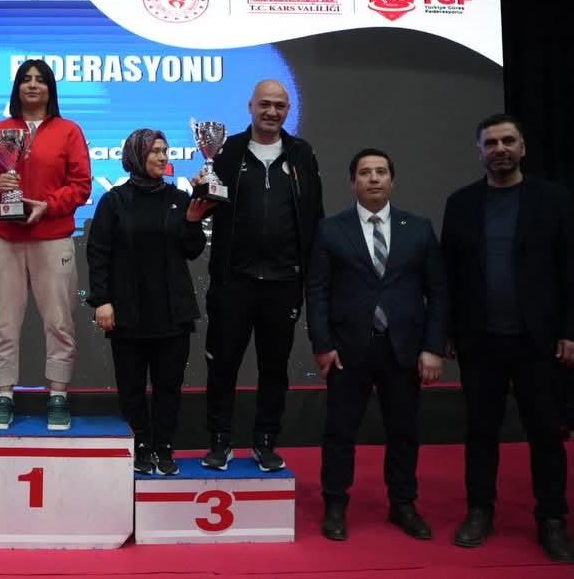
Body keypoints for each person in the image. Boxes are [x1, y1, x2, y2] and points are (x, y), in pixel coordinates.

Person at [441, 114, 574, 562]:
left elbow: (569, 270)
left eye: (508, 141)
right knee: (481, 431)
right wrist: (447, 332)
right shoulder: (460, 204)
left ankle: (552, 519)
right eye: (491, 143)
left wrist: (569, 331)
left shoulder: (554, 200)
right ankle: (480, 511)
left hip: (539, 340)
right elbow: (449, 276)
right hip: (480, 340)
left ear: (523, 147)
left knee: (546, 432)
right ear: (479, 151)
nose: (500, 149)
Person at [307, 148, 446, 542]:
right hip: (347, 349)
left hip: (404, 348)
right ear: (352, 182)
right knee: (339, 431)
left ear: (392, 181)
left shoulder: (418, 228)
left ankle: (403, 504)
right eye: (365, 172)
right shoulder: (331, 229)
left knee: (404, 431)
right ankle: (336, 504)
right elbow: (317, 291)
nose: (373, 178)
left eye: (381, 172)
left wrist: (433, 347)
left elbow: (438, 291)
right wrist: (322, 344)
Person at [200, 79, 324, 471]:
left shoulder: (301, 154)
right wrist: (200, 190)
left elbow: (314, 215)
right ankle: (219, 441)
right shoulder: (227, 151)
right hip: (233, 281)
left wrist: (309, 276)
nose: (272, 112)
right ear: (250, 106)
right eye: (265, 104)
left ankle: (266, 441)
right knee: (223, 366)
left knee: (274, 368)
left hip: (284, 283)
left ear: (287, 110)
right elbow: (207, 205)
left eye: (279, 106)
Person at [0, 59, 92, 430]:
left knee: (59, 321)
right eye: (25, 79)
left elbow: (81, 186)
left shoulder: (69, 131)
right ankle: (3, 395)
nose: (32, 85)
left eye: (40, 80)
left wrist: (48, 206)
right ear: (16, 88)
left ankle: (58, 394)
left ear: (50, 88)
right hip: (6, 238)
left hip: (52, 237)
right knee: (4, 322)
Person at [86, 129, 208, 475]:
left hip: (172, 311)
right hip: (128, 311)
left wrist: (193, 221)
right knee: (132, 387)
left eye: (165, 150)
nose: (162, 157)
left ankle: (164, 446)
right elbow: (98, 254)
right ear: (136, 155)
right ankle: (139, 445)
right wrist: (102, 301)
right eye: (154, 151)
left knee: (169, 386)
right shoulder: (114, 201)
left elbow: (192, 249)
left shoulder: (179, 198)